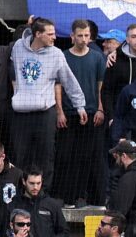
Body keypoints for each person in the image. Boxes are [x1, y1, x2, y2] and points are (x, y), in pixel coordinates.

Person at [10, 18, 87, 192]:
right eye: (50, 34)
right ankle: (20, 193)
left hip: (44, 114)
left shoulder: (56, 54)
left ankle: (43, 194)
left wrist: (79, 105)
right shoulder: (18, 47)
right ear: (38, 34)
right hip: (21, 113)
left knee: (45, 156)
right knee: (20, 156)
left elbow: (68, 80)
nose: (55, 37)